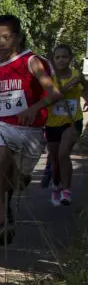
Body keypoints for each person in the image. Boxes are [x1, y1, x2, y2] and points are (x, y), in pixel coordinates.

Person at [0, 15, 59, 244]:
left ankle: (0, 193)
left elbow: (54, 93)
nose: (1, 42)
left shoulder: (31, 61)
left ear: (18, 38)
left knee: (17, 179)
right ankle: (2, 223)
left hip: (31, 130)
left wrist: (35, 107)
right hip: (2, 125)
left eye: (6, 37)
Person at [44, 44, 85, 206]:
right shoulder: (48, 78)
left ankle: (66, 190)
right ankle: (56, 185)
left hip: (72, 121)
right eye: (58, 57)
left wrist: (84, 88)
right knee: (54, 158)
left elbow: (86, 89)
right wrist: (69, 85)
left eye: (65, 57)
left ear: (71, 58)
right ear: (53, 61)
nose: (61, 60)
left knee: (63, 154)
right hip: (53, 123)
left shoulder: (77, 74)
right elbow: (52, 97)